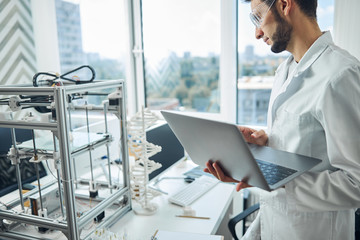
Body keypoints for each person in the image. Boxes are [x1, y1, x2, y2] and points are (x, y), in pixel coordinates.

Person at [204, 0, 360, 239]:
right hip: (275, 223)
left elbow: (356, 183)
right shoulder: (285, 71)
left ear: (285, 4)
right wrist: (266, 141)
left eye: (257, 17)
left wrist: (274, 179)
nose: (257, 33)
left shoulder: (340, 75)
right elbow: (307, 139)